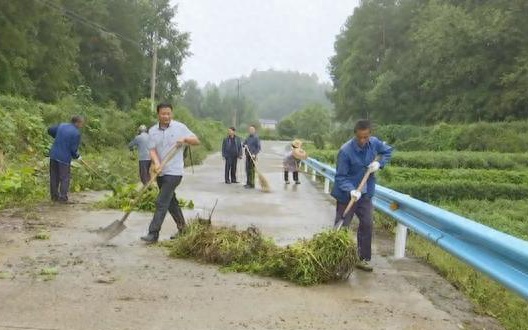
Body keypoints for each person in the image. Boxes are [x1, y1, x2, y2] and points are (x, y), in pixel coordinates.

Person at [331, 119, 393, 272]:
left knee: (367, 224)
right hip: (347, 196)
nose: (362, 140)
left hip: (365, 193)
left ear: (369, 134)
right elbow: (340, 177)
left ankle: (363, 258)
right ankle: (337, 258)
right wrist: (351, 190)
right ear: (355, 134)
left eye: (365, 137)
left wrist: (380, 164)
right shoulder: (345, 151)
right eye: (359, 137)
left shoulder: (374, 143)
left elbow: (388, 151)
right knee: (343, 227)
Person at [140, 103, 200, 243]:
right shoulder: (153, 131)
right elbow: (152, 149)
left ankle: (153, 233)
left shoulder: (180, 127)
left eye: (168, 113)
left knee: (161, 201)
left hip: (174, 172)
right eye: (163, 113)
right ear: (158, 114)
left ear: (171, 114)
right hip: (160, 172)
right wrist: (156, 162)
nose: (166, 116)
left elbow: (196, 141)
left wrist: (185, 139)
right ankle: (183, 229)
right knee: (171, 202)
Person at [47, 115, 85, 203]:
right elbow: (73, 150)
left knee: (54, 177)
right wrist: (77, 156)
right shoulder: (76, 133)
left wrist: (57, 137)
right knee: (64, 178)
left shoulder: (62, 125)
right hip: (63, 158)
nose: (82, 125)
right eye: (81, 123)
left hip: (53, 155)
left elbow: (50, 130)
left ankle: (54, 197)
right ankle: (63, 198)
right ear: (77, 123)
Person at [242, 125, 261, 189]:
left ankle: (252, 184)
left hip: (253, 156)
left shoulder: (256, 138)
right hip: (247, 155)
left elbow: (258, 148)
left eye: (252, 130)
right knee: (247, 169)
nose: (251, 131)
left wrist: (254, 154)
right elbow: (244, 144)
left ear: (254, 130)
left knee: (252, 170)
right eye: (250, 130)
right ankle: (248, 183)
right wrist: (244, 145)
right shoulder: (248, 137)